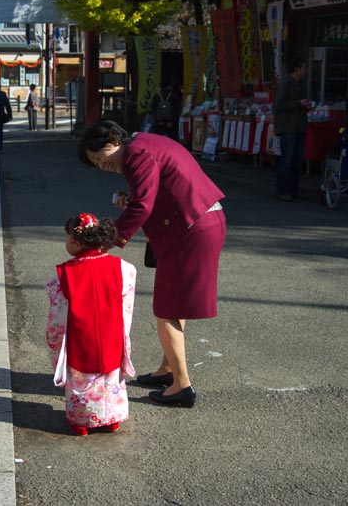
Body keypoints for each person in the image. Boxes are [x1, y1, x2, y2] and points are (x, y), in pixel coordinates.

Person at [78, 122, 225, 408]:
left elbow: (143, 205)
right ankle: (168, 369)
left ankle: (182, 385)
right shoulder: (143, 144)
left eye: (100, 155)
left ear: (112, 139)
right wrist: (132, 202)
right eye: (95, 163)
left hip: (191, 228)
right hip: (200, 221)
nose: (102, 164)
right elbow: (153, 194)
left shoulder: (135, 154)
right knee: (176, 305)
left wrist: (110, 239)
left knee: (166, 309)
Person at [46, 213, 137, 436]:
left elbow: (56, 319)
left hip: (80, 338)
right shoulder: (124, 268)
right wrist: (124, 336)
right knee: (111, 379)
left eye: (67, 237)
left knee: (81, 381)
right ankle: (111, 419)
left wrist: (54, 343)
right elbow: (127, 309)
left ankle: (82, 421)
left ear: (76, 241)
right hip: (112, 335)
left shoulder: (64, 274)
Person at [273, 58, 312, 202]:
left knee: (297, 160)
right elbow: (279, 105)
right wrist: (298, 103)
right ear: (296, 69)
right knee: (287, 160)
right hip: (288, 127)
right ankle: (283, 190)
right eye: (304, 68)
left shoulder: (300, 84)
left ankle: (293, 189)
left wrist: (304, 105)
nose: (306, 71)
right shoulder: (285, 84)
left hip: (299, 126)